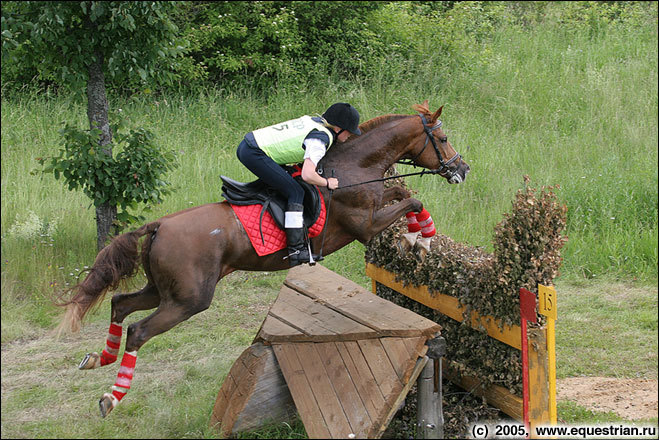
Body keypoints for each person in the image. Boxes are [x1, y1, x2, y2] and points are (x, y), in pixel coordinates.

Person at [236, 102, 361, 267]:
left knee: (289, 181)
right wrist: (327, 182)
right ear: (338, 129)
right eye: (349, 132)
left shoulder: (316, 122)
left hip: (250, 144)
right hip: (253, 153)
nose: (350, 136)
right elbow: (308, 174)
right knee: (296, 192)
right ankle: (296, 250)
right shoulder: (321, 138)